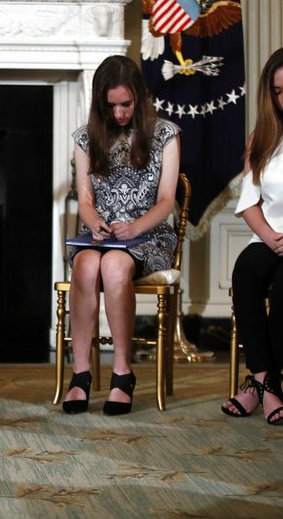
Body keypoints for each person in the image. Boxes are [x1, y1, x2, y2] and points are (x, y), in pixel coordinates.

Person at [62, 55, 180, 416]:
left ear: (140, 97)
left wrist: (136, 227)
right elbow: (84, 199)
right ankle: (80, 373)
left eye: (125, 104)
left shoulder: (165, 134)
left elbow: (166, 202)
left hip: (150, 235)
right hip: (102, 234)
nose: (118, 114)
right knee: (84, 266)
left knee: (114, 267)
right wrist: (94, 220)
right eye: (110, 106)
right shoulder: (85, 138)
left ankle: (122, 373)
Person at [221, 45, 283, 425]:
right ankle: (268, 384)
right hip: (270, 236)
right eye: (278, 90)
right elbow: (249, 203)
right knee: (245, 272)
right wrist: (270, 238)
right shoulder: (264, 137)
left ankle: (255, 387)